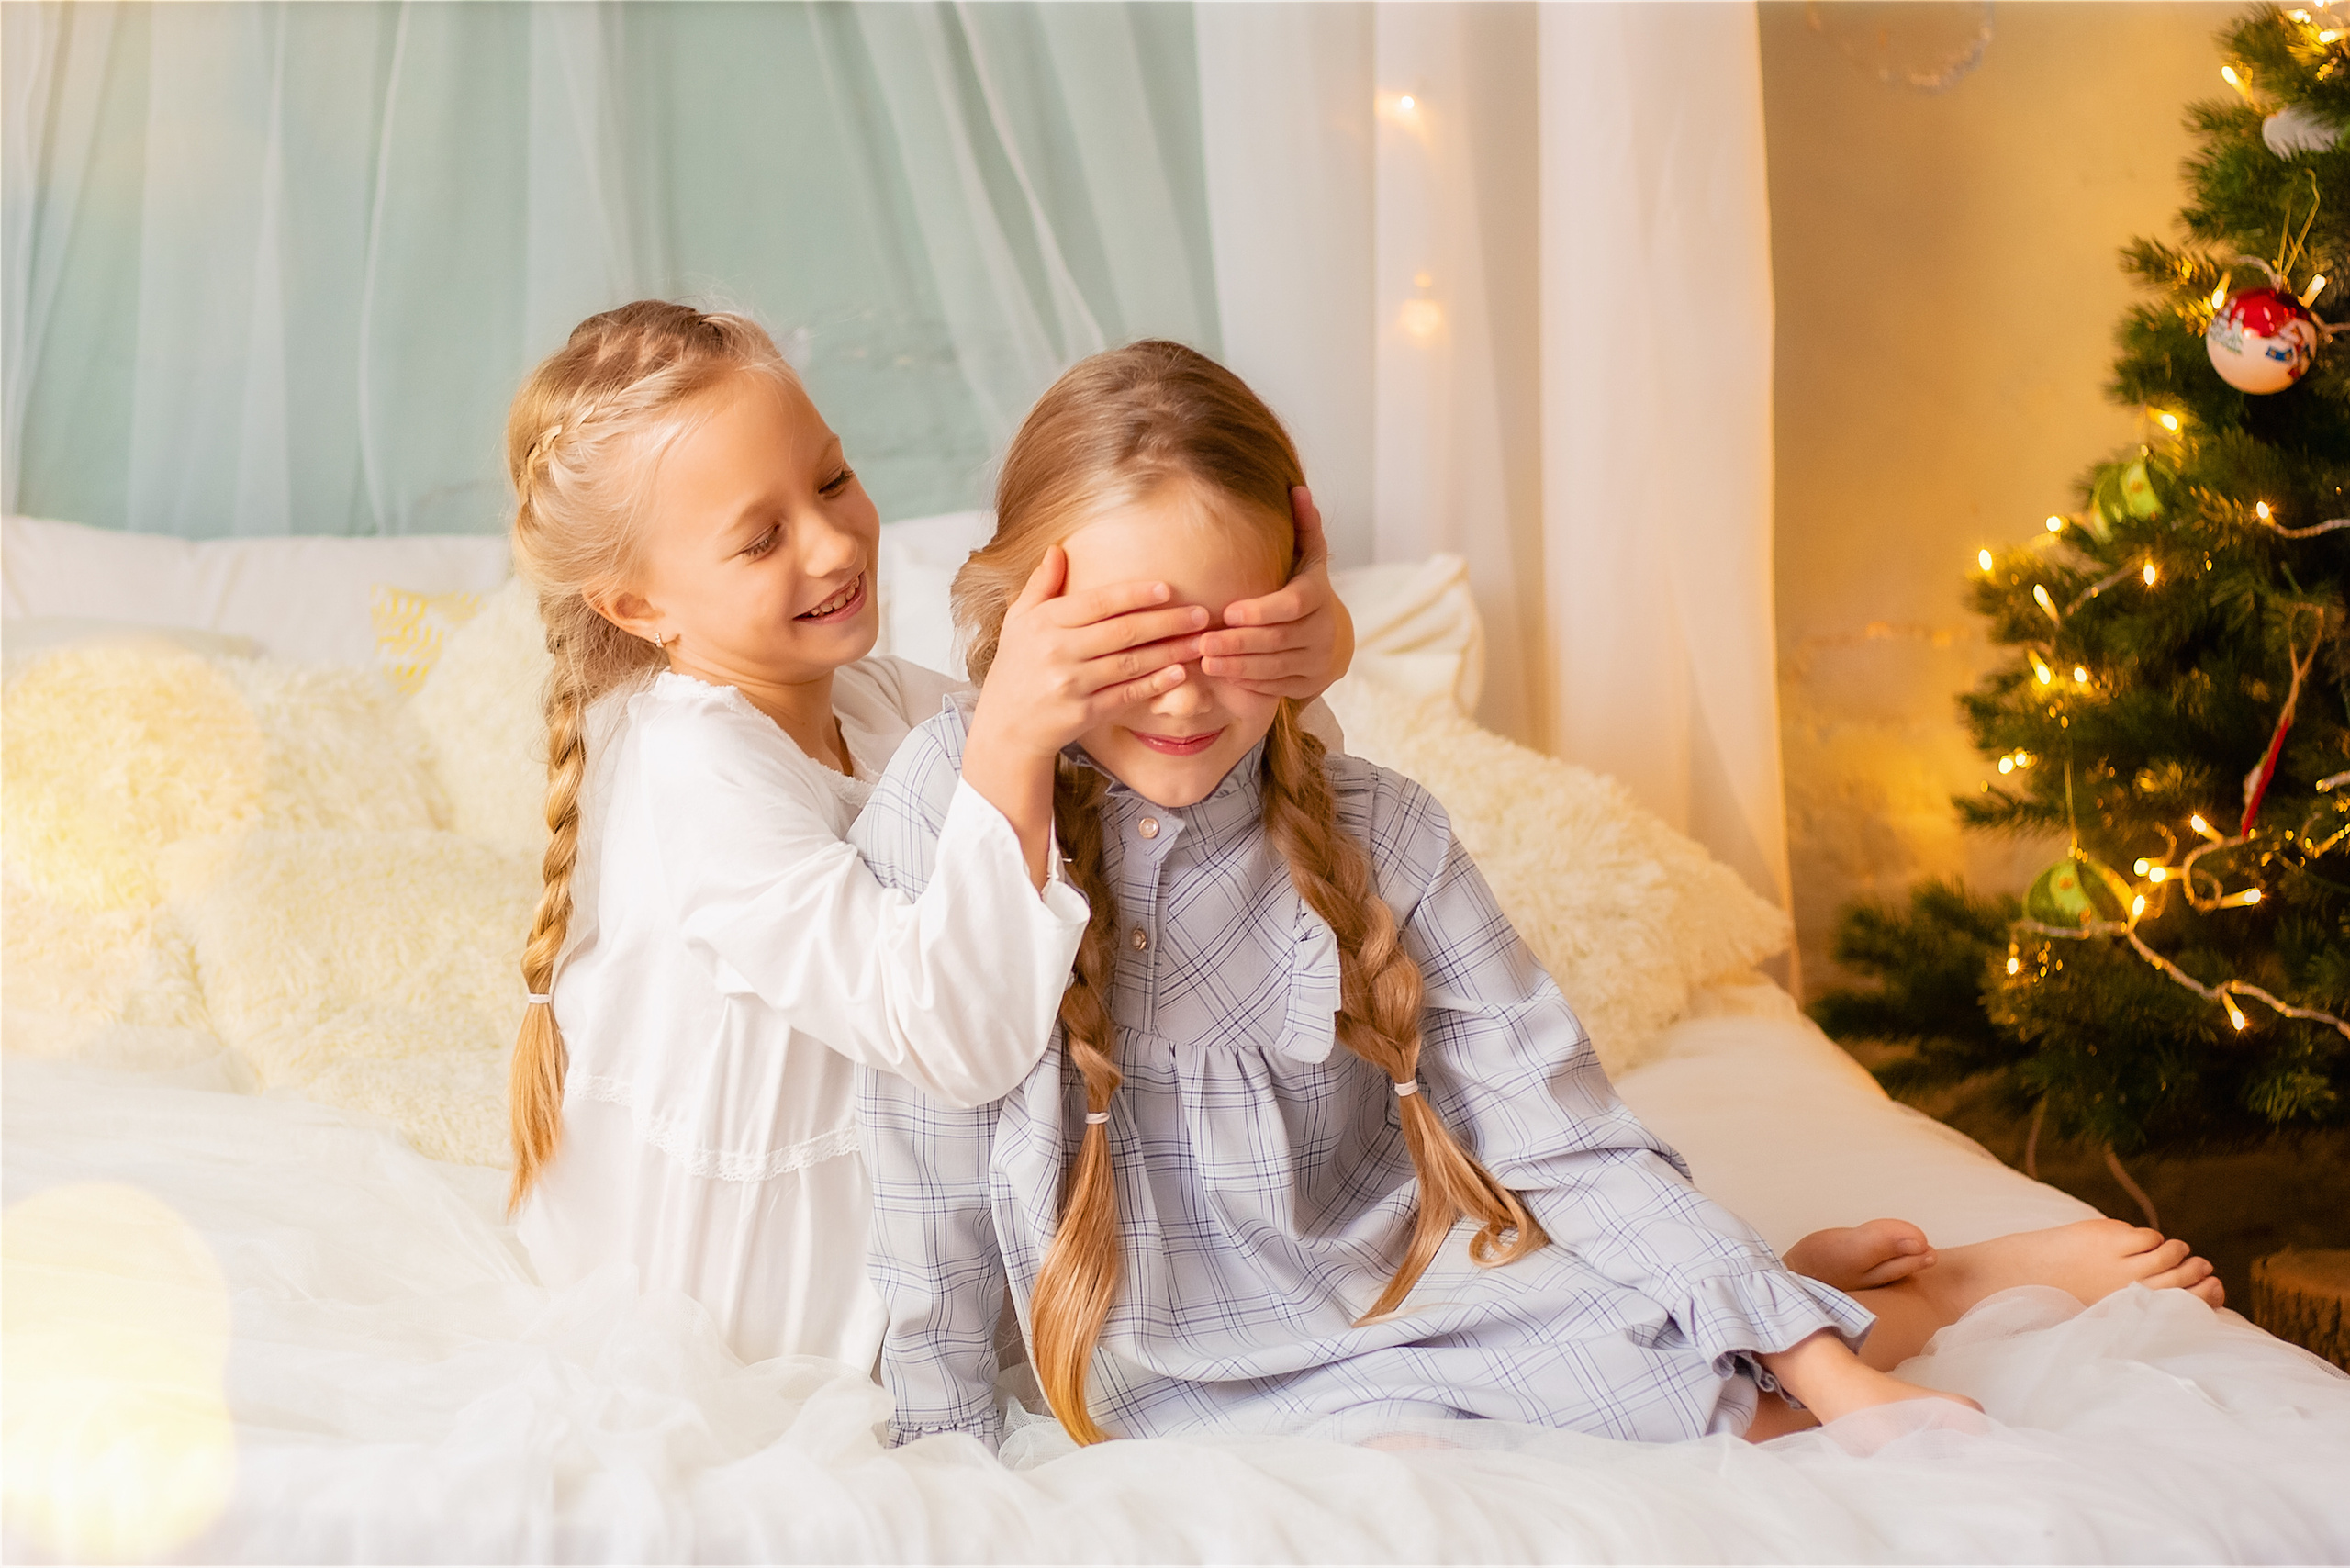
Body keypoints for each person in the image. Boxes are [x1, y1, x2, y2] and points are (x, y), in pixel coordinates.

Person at [856, 340, 2224, 1450]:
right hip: (1144, 1356)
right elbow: (921, 1155)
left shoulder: (1377, 830)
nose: (1179, 688)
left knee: (1686, 1401)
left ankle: (1883, 1299)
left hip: (1383, 1281)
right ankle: (1815, 1292)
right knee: (1421, 1463)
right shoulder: (945, 797)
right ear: (1015, 618)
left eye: (1232, 634)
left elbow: (1562, 1137)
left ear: (1302, 610)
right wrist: (941, 1443)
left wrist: (1841, 1385)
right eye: (1124, 641)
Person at [497, 304, 1352, 1367]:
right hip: (765, 1306)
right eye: (760, 538)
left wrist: (1290, 671)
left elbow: (1136, 779)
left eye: (831, 480)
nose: (831, 541)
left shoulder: (876, 700)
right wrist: (1009, 739)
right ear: (636, 605)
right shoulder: (695, 775)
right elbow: (960, 1040)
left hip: (911, 1228)